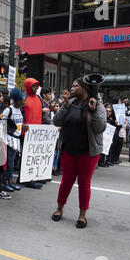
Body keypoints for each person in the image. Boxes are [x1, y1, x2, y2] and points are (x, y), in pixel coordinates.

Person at [51, 77, 106, 229]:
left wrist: (93, 111)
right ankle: (59, 209)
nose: (72, 88)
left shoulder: (97, 105)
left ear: (84, 88)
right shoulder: (70, 104)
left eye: (76, 86)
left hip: (88, 152)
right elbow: (56, 121)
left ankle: (82, 216)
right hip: (68, 149)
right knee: (66, 181)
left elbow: (100, 128)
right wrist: (65, 105)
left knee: (84, 183)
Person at [21, 78, 43, 189]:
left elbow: (41, 113)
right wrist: (23, 125)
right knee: (26, 157)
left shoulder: (39, 98)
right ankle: (26, 179)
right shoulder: (23, 98)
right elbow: (19, 114)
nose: (35, 88)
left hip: (36, 133)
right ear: (28, 86)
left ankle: (30, 177)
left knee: (34, 157)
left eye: (36, 86)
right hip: (26, 133)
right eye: (33, 86)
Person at [1, 88, 25, 192]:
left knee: (12, 162)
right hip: (9, 140)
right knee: (9, 162)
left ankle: (10, 181)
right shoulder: (8, 110)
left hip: (17, 139)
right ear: (17, 100)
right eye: (22, 99)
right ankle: (4, 182)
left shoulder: (19, 110)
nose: (24, 101)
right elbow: (3, 125)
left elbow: (18, 124)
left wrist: (23, 127)